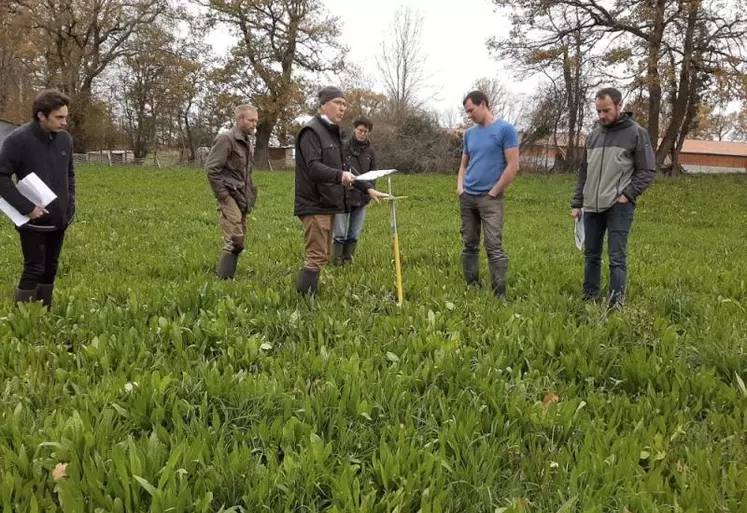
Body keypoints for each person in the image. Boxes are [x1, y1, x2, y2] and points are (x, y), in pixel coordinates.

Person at [294, 86, 386, 296]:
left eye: (344, 104)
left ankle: (308, 295)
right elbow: (313, 166)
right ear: (323, 105)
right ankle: (303, 300)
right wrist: (339, 176)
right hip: (313, 201)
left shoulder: (334, 134)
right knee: (316, 255)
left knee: (323, 255)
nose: (342, 108)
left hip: (328, 202)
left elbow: (348, 169)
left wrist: (368, 189)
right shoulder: (311, 131)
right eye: (337, 103)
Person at [571, 87, 655, 308]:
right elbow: (584, 172)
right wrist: (577, 203)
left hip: (619, 206)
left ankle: (615, 303)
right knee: (591, 255)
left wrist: (627, 195)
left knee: (617, 257)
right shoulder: (594, 135)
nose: (601, 116)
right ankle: (589, 298)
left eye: (606, 110)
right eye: (598, 111)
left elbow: (647, 170)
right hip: (591, 205)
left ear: (620, 105)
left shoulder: (636, 133)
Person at [0, 89, 76, 310]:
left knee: (51, 267)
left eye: (66, 117)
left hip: (59, 218)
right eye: (59, 117)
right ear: (41, 115)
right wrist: (27, 208)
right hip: (32, 219)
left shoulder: (66, 140)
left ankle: (44, 312)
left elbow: (69, 174)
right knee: (34, 267)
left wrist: (70, 204)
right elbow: (2, 176)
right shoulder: (18, 140)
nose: (64, 122)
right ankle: (22, 320)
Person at [457, 90, 520, 299]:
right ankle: (471, 284)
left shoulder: (505, 130)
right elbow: (464, 163)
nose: (469, 116)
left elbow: (513, 166)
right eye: (467, 112)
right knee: (469, 242)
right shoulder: (469, 134)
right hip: (468, 197)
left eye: (471, 110)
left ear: (483, 104)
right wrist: (460, 187)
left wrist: (494, 191)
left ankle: (499, 292)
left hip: (490, 198)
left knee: (494, 245)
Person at [204, 104, 259, 279]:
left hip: (242, 196)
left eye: (255, 120)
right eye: (251, 120)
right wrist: (224, 197)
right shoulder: (226, 139)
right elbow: (211, 169)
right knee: (234, 239)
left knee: (239, 241)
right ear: (240, 119)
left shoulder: (247, 141)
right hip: (229, 196)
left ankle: (228, 277)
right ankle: (224, 280)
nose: (254, 124)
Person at [333, 116, 377, 265]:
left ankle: (348, 260)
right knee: (339, 233)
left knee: (354, 233)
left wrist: (370, 190)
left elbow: (373, 172)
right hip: (343, 195)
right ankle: (337, 261)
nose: (362, 133)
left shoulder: (370, 151)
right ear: (354, 129)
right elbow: (340, 170)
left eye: (365, 131)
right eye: (360, 130)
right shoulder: (344, 147)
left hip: (362, 197)